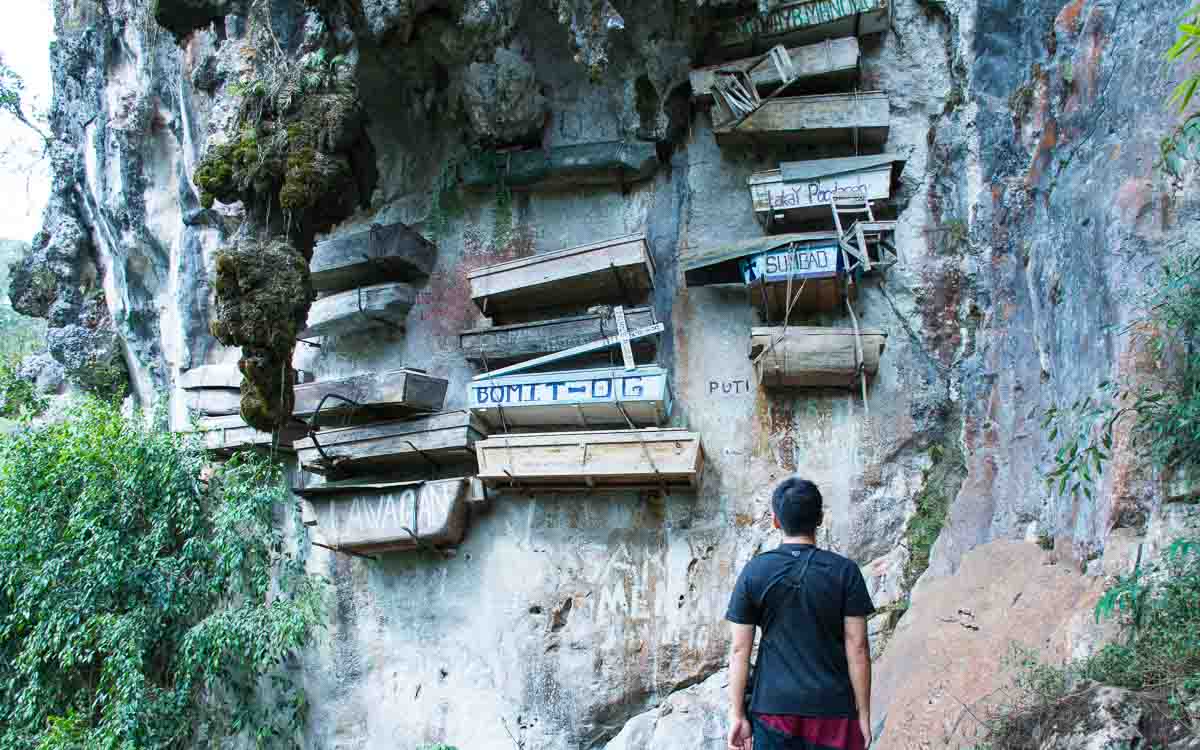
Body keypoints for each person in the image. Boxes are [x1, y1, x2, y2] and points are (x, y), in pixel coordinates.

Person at [725, 477, 875, 750]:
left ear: (776, 521)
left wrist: (736, 714)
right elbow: (859, 647)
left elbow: (739, 651)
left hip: (773, 709)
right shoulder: (845, 572)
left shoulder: (754, 572)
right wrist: (863, 713)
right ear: (819, 518)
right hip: (833, 711)